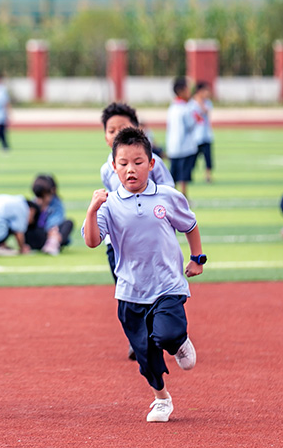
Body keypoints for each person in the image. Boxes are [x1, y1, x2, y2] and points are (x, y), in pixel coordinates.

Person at [82, 126, 205, 423]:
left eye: (138, 162)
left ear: (151, 164)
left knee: (167, 333)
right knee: (145, 354)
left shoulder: (167, 197)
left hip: (167, 284)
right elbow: (92, 240)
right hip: (130, 290)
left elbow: (190, 225)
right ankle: (161, 398)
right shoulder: (109, 205)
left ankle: (178, 343)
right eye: (123, 164)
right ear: (113, 167)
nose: (130, 169)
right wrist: (91, 210)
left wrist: (197, 259)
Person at [101, 102, 175, 279]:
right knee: (125, 290)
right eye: (111, 130)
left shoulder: (153, 162)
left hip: (151, 238)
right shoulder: (106, 169)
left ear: (138, 129)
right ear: (105, 137)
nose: (118, 134)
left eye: (123, 128)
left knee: (156, 287)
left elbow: (168, 192)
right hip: (118, 241)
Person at [166, 77, 198, 197]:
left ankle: (172, 199)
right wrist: (196, 119)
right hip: (185, 147)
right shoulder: (186, 108)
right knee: (183, 176)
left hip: (173, 147)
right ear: (181, 91)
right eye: (187, 88)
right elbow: (190, 124)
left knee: (173, 176)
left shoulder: (172, 107)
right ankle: (183, 199)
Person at [26, 174, 73, 256]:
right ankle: (51, 243)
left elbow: (57, 218)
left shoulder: (56, 203)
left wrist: (51, 229)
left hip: (53, 233)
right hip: (39, 234)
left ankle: (53, 243)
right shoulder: (34, 203)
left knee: (68, 223)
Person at [191, 82, 215, 183]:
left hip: (206, 135)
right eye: (205, 91)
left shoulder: (207, 103)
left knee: (208, 157)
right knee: (192, 158)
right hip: (195, 136)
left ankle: (208, 176)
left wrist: (201, 101)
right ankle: (189, 174)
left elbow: (205, 111)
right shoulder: (191, 103)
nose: (207, 93)